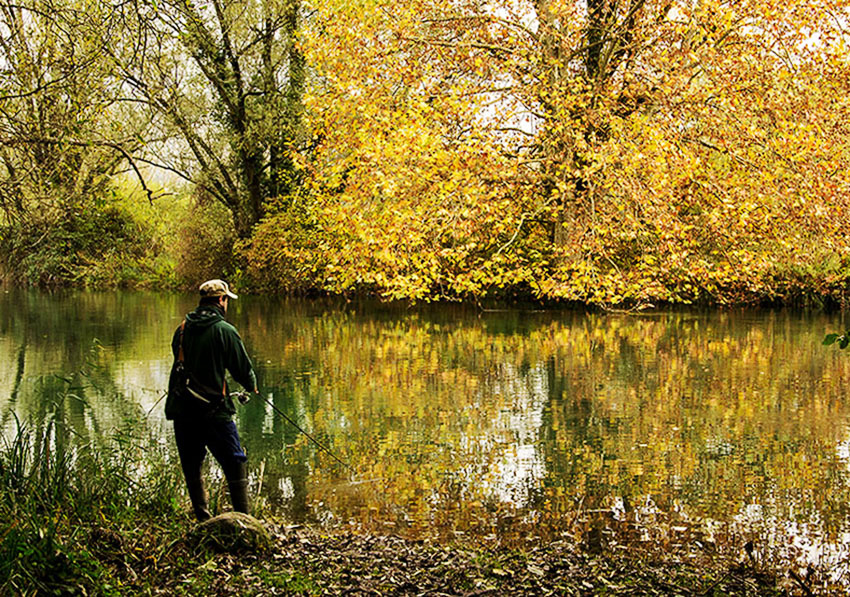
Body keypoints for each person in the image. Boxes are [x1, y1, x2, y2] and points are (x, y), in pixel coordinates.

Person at [166, 279, 258, 521]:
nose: (227, 304)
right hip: (214, 411)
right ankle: (243, 520)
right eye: (227, 300)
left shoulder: (182, 329)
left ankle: (203, 520)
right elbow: (242, 370)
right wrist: (252, 386)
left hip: (183, 410)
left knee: (192, 465)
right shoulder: (225, 331)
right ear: (221, 300)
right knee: (235, 461)